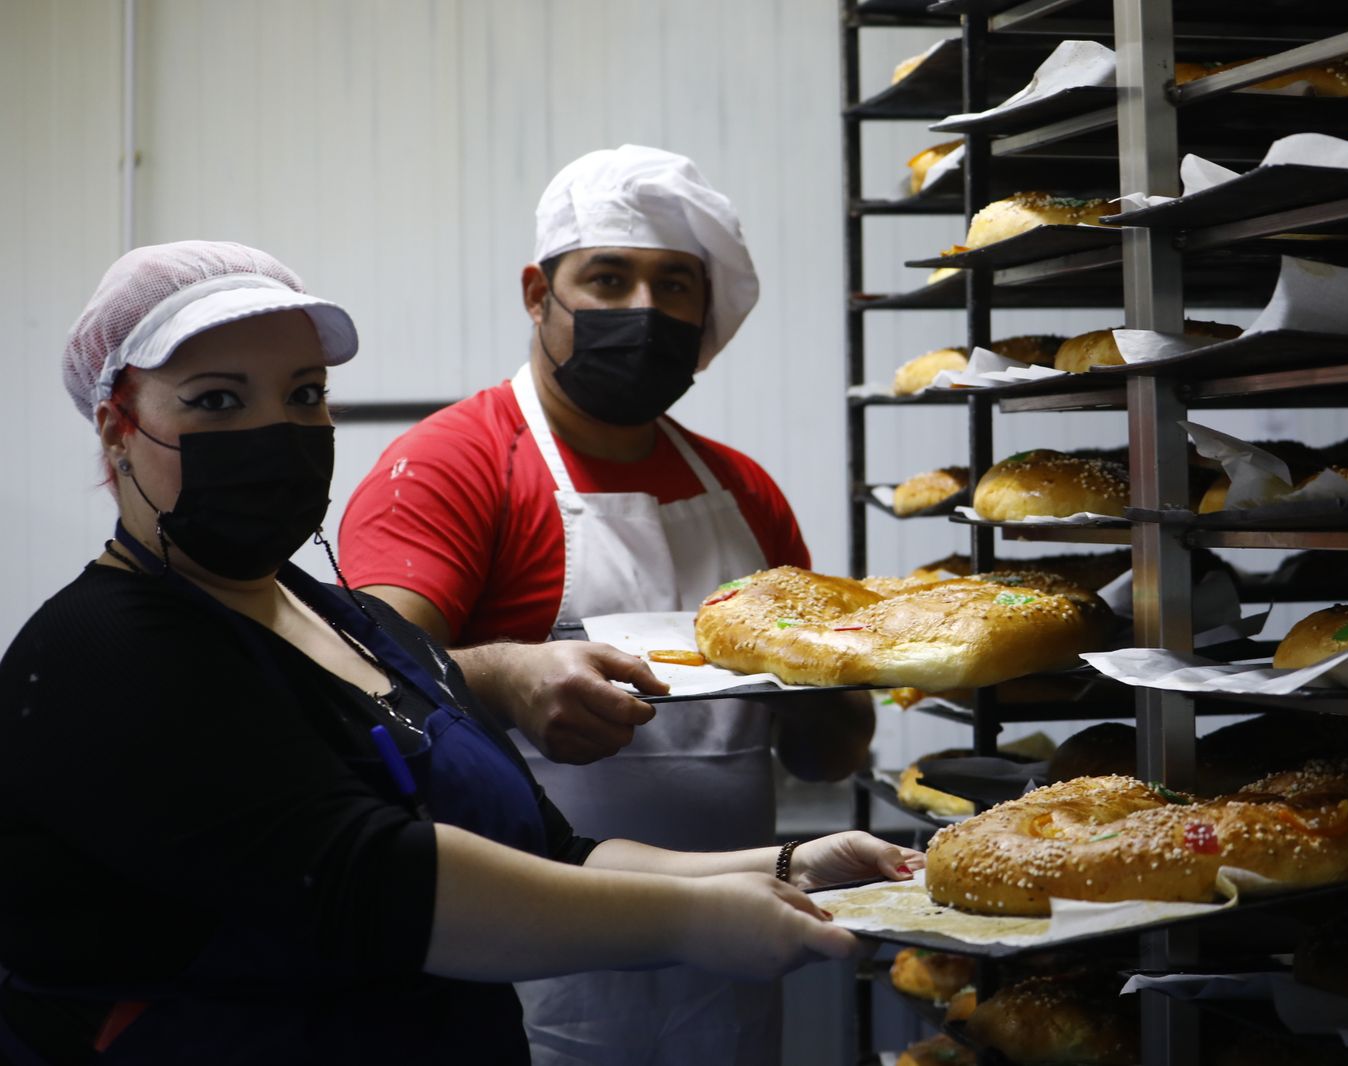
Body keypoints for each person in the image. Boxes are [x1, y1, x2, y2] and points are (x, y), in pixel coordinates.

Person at [0, 241, 920, 1066]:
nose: (274, 433)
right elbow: (372, 883)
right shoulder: (102, 653)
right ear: (117, 425)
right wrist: (692, 918)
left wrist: (784, 865)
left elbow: (555, 852)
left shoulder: (348, 623)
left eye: (304, 395)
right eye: (215, 400)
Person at [337, 146, 876, 1063]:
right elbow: (356, 695)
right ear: (536, 293)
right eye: (609, 278)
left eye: (675, 285)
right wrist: (506, 678)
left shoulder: (745, 491)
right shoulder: (450, 466)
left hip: (735, 967)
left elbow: (825, 758)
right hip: (525, 979)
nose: (643, 309)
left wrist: (846, 667)